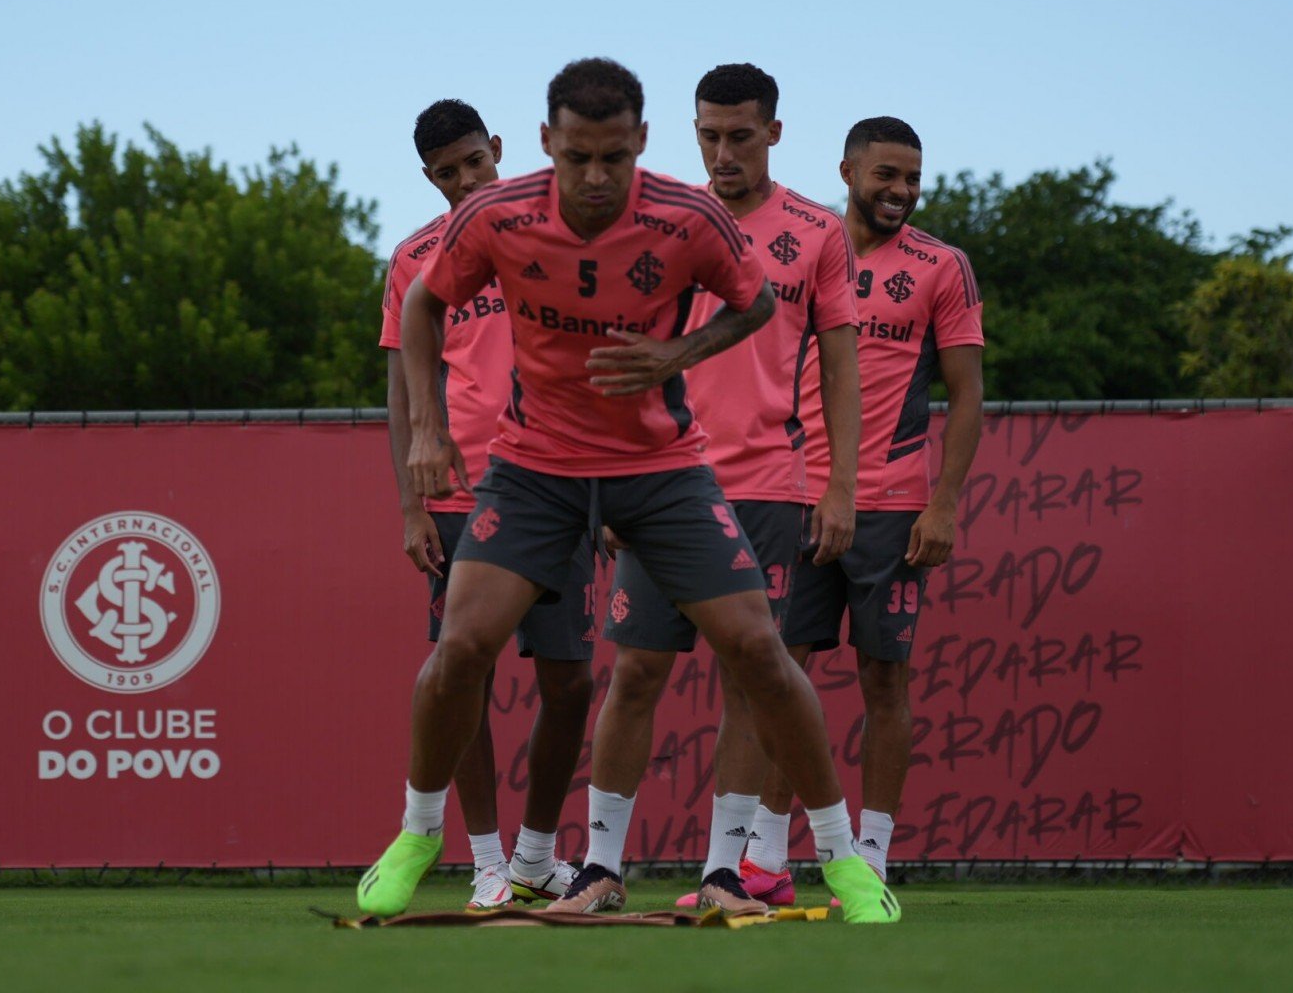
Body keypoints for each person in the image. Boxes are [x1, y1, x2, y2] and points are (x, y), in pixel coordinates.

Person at [358, 57, 899, 925]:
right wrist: (426, 430)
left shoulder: (685, 219)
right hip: (535, 468)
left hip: (659, 470)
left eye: (614, 156)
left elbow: (756, 305)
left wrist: (676, 356)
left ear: (643, 143)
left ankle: (841, 857)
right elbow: (422, 305)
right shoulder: (498, 216)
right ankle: (421, 832)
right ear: (545, 145)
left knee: (759, 650)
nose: (598, 177)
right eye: (578, 158)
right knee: (461, 647)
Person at [580, 63, 864, 915]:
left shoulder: (816, 232)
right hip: (658, 484)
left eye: (740, 136)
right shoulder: (657, 222)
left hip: (768, 488)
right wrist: (604, 479)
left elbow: (843, 372)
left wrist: (839, 485)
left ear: (773, 133)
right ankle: (600, 870)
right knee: (635, 675)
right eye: (709, 135)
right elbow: (610, 354)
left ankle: (721, 875)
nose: (723, 151)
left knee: (750, 677)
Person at [743, 115, 985, 898]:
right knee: (783, 678)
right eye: (886, 175)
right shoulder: (807, 245)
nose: (901, 192)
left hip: (893, 508)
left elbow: (969, 393)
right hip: (800, 498)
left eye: (913, 179)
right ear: (847, 170)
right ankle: (765, 861)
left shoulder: (943, 266)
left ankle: (871, 855)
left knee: (886, 682)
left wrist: (943, 505)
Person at [378, 100, 593, 909]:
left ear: (499, 149)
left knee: (571, 682)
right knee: (461, 673)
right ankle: (487, 861)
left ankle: (538, 854)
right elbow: (404, 390)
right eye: (447, 173)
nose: (466, 181)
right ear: (429, 178)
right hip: (459, 496)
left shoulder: (557, 233)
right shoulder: (414, 260)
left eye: (474, 161)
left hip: (565, 480)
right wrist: (409, 507)